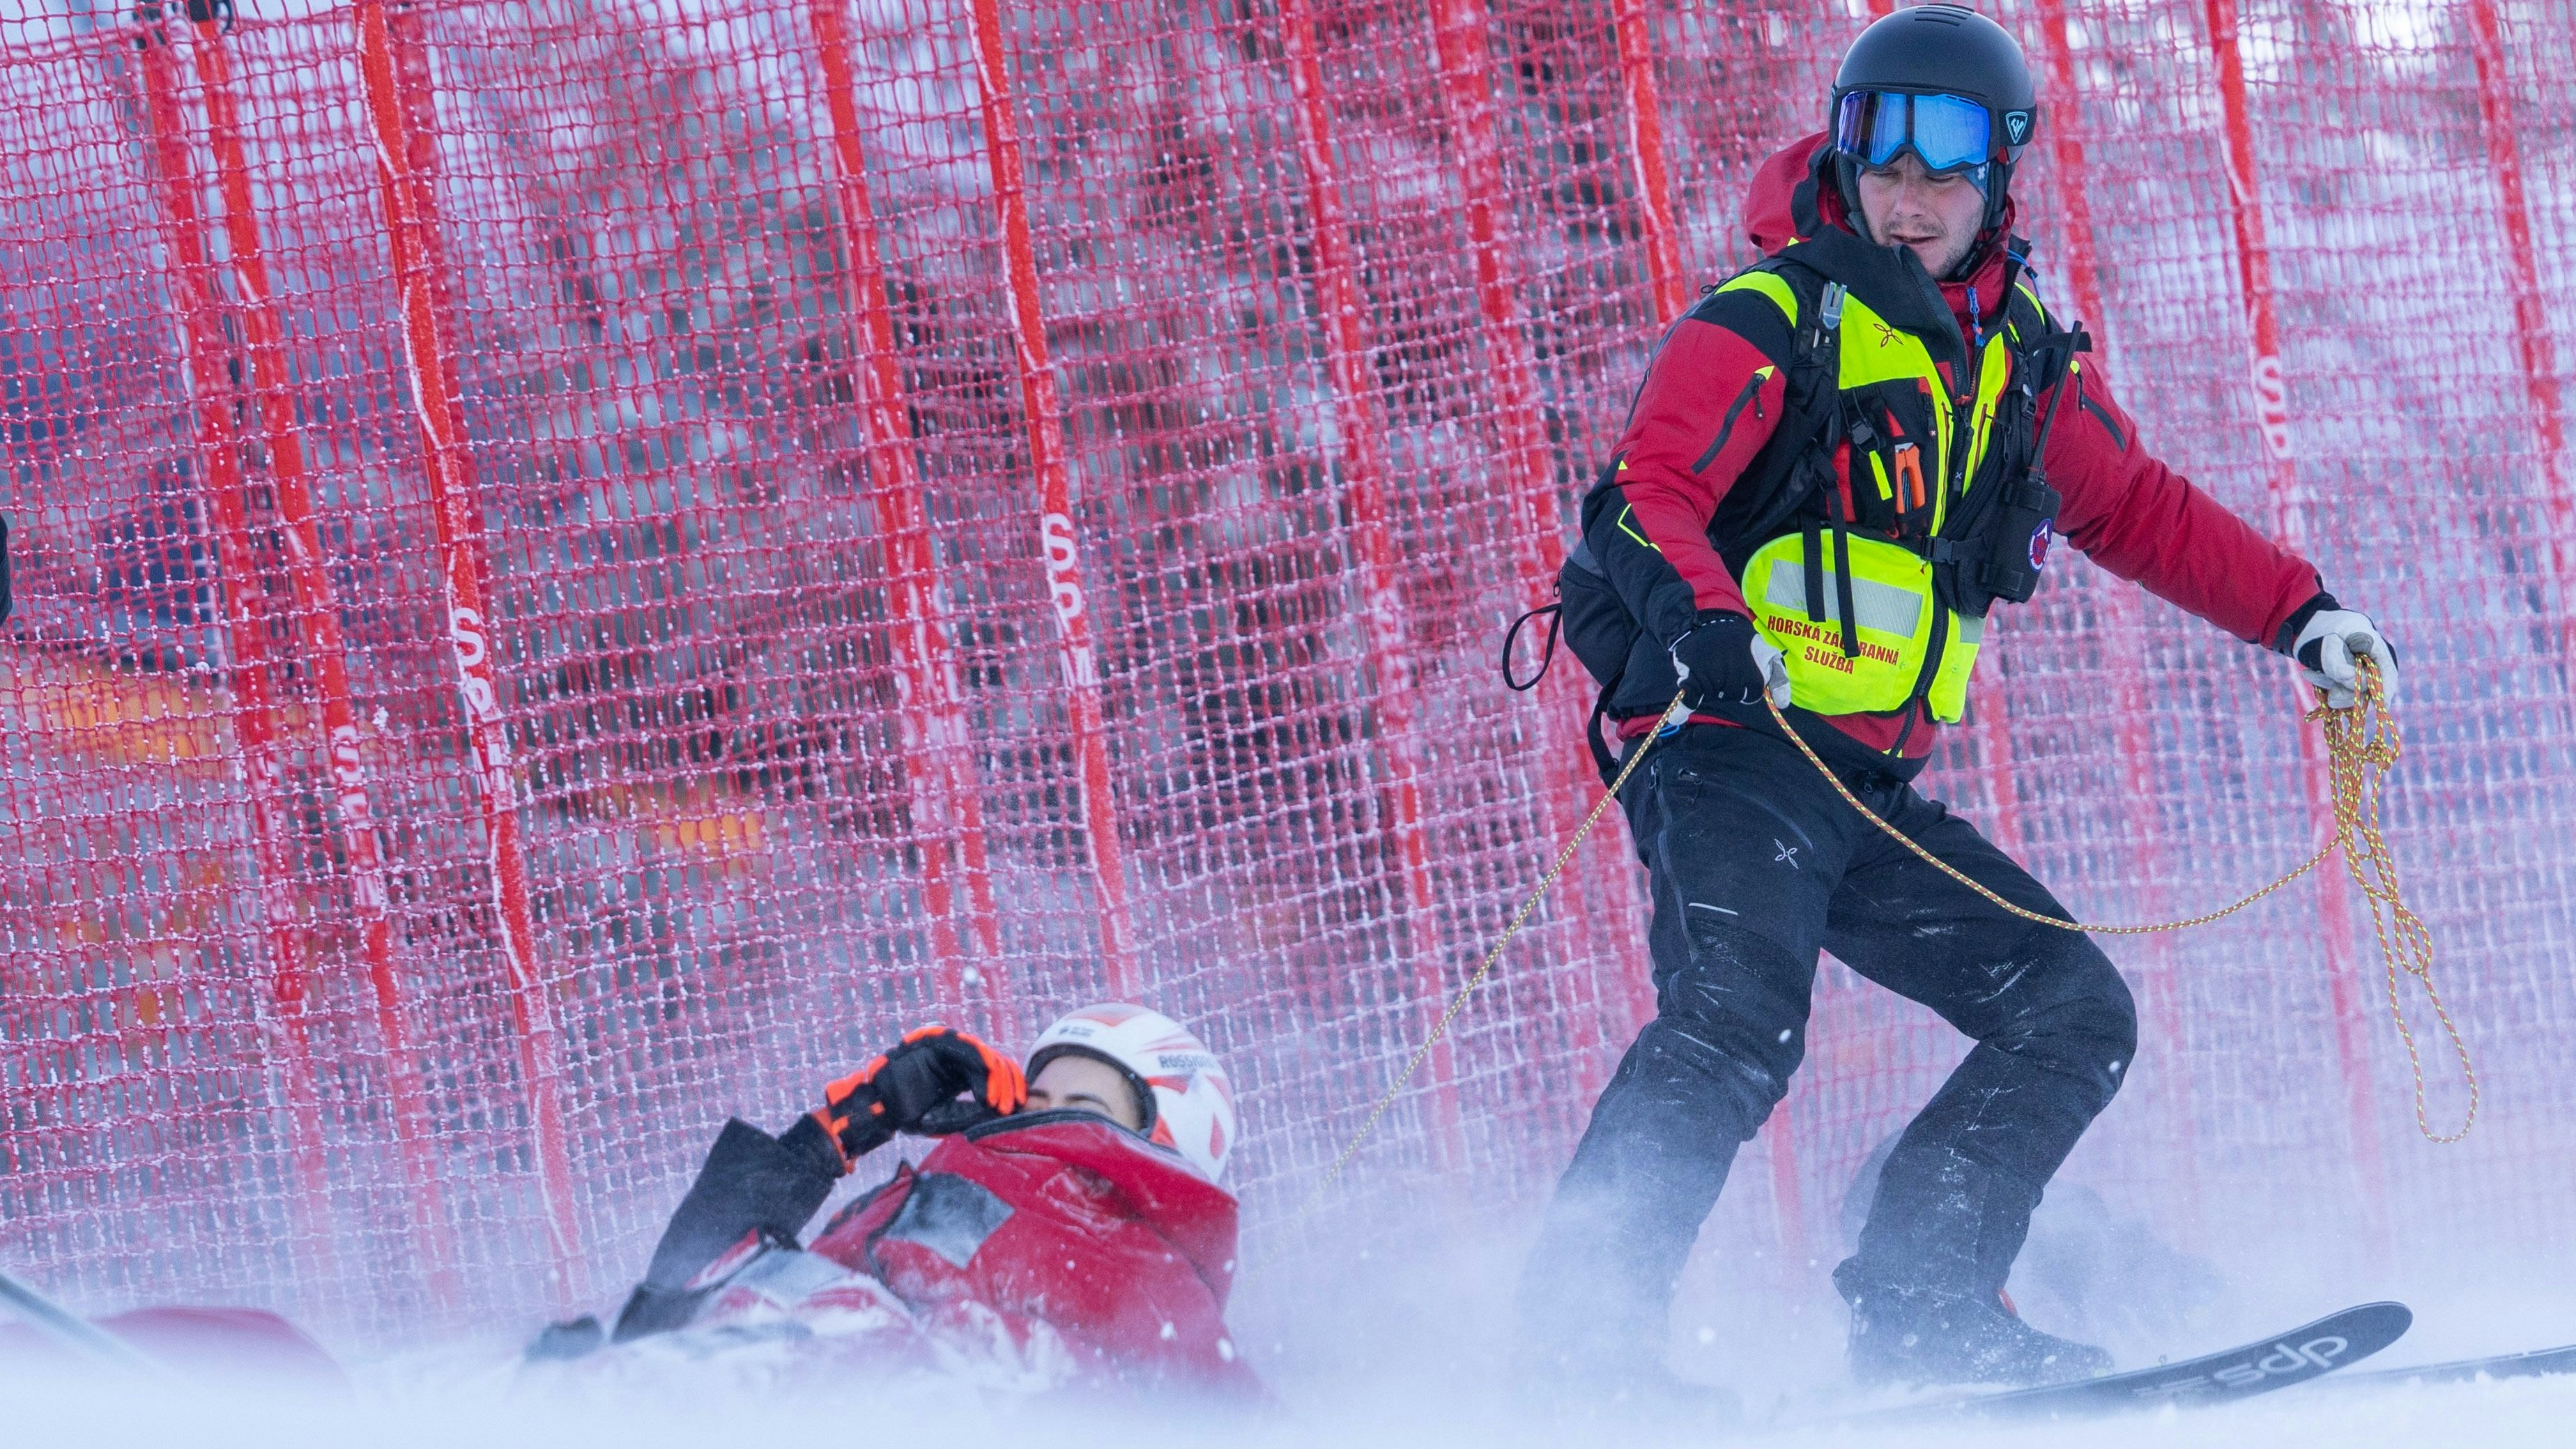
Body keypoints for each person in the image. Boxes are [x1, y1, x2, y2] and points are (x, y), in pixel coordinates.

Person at [1519, 4, 2398, 1395]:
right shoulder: (1771, 322)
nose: (1910, 191)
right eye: (1883, 153)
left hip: (1864, 789)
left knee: (2068, 1006)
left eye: (1948, 161)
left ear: (2002, 178)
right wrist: (1708, 623)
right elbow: (1643, 496)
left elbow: (2143, 510)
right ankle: (1572, 1347)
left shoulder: (2016, 361)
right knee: (1737, 1019)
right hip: (1730, 752)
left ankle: (1920, 1305)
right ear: (1847, 156)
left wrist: (2306, 615)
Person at [532, 1004, 1257, 1403]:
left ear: (1168, 1138)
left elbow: (1226, 1416)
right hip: (756, 1364)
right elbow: (684, 1293)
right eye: (1035, 1101)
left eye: (1081, 1107)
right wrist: (844, 1130)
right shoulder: (942, 1185)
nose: (1043, 1119)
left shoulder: (1145, 1265)